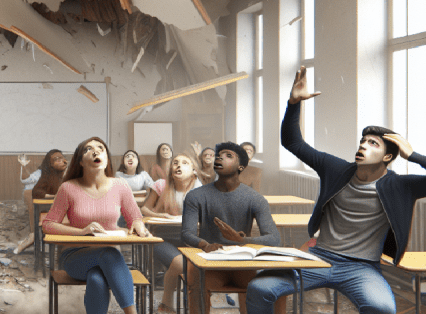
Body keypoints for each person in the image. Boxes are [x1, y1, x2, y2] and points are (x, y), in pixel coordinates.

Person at [246, 66, 426, 314]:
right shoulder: (336, 169)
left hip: (362, 268)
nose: (363, 145)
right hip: (318, 257)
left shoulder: (401, 186)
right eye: (362, 141)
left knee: (382, 309)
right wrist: (293, 103)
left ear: (387, 156)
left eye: (372, 143)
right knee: (260, 288)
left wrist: (414, 155)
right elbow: (292, 142)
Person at [42, 137, 152, 314]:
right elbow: (48, 225)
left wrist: (139, 225)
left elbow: (136, 219)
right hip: (75, 257)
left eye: (100, 148)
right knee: (109, 254)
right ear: (80, 162)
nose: (95, 152)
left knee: (97, 279)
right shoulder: (68, 188)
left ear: (107, 157)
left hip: (109, 259)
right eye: (88, 149)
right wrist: (82, 232)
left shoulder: (121, 186)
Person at [181, 142, 280, 314]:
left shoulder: (255, 199)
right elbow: (186, 233)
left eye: (228, 155)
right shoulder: (196, 196)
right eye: (219, 155)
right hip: (210, 263)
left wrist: (242, 240)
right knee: (198, 286)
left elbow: (274, 238)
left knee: (270, 288)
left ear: (241, 167)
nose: (219, 157)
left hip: (243, 263)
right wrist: (205, 245)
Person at [140, 152, 202, 313]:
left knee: (193, 268)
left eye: (184, 163)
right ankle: (167, 304)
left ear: (194, 170)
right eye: (175, 162)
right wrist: (160, 215)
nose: (178, 165)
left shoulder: (201, 190)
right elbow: (145, 209)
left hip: (190, 239)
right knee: (180, 264)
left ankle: (192, 305)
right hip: (161, 238)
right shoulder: (162, 185)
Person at [14, 149, 68, 254]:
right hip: (50, 207)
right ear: (50, 163)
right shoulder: (45, 174)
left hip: (68, 209)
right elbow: (36, 190)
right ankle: (33, 235)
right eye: (55, 159)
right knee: (28, 193)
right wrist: (53, 196)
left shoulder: (70, 173)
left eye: (61, 158)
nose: (59, 161)